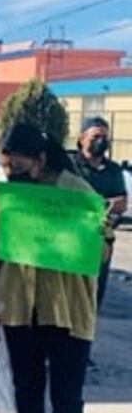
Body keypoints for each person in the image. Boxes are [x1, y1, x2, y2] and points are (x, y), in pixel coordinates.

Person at [0, 123, 103, 413]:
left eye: (17, 166)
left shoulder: (78, 194)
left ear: (41, 159)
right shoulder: (6, 197)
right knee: (27, 394)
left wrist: (97, 234)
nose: (10, 174)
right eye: (5, 168)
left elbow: (99, 255)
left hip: (67, 311)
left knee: (67, 400)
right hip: (19, 308)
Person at [73, 116, 126, 307]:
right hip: (71, 239)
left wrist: (95, 204)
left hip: (100, 240)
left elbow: (121, 203)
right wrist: (103, 204)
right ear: (81, 138)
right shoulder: (71, 167)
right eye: (95, 136)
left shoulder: (113, 170)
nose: (101, 141)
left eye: (105, 137)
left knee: (93, 298)